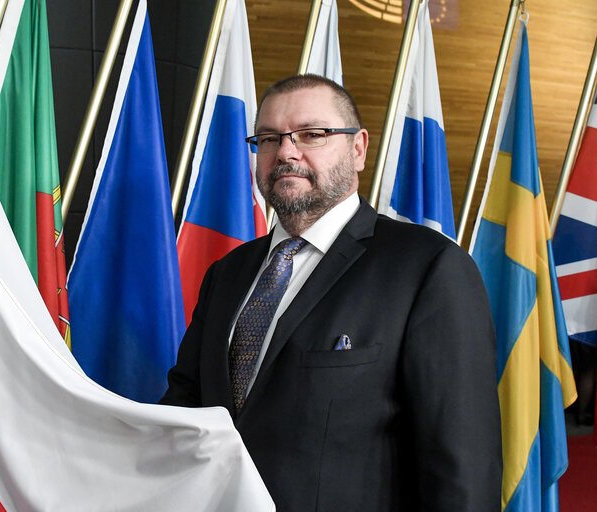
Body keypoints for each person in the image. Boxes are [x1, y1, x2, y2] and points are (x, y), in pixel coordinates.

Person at [160, 74, 502, 511]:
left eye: (312, 134)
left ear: (358, 149)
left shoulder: (428, 268)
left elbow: (462, 466)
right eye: (268, 139)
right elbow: (185, 408)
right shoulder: (228, 273)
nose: (286, 151)